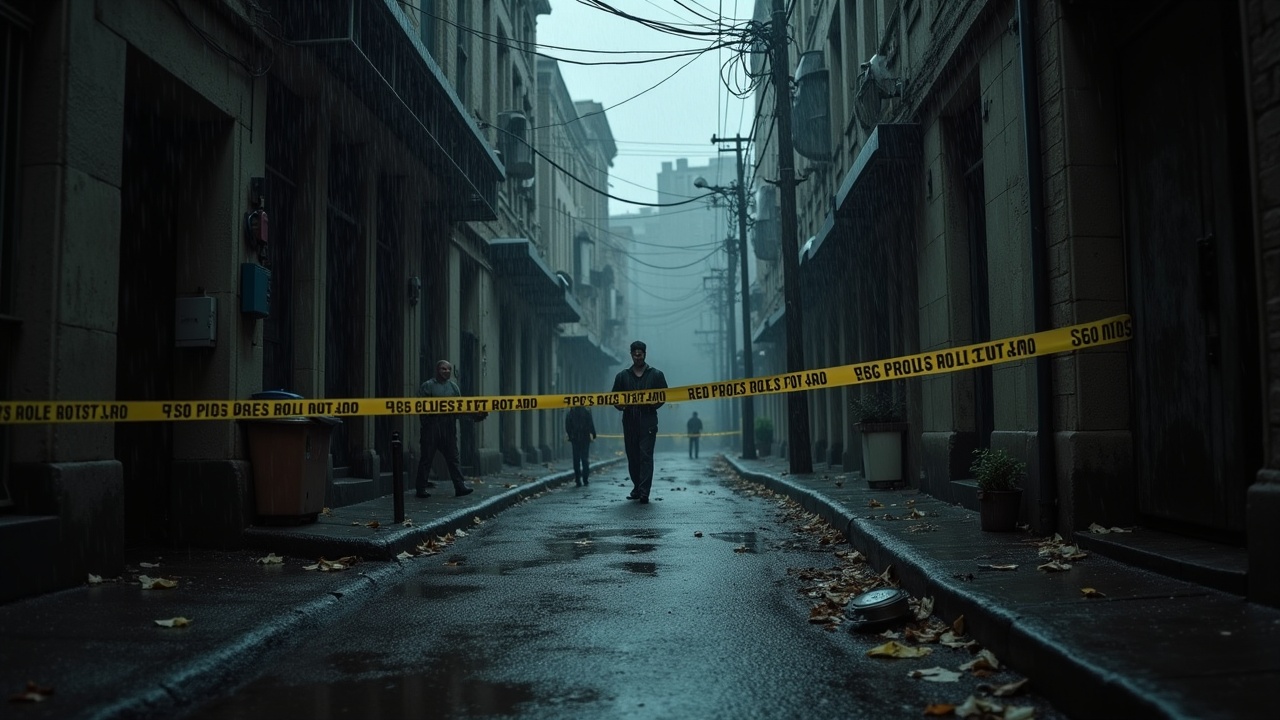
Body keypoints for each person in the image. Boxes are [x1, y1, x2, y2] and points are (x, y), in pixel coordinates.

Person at [416, 360, 486, 499]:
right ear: (437, 370)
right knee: (426, 458)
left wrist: (474, 415)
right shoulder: (428, 386)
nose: (446, 371)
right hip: (432, 427)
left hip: (449, 427)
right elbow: (420, 407)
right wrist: (427, 424)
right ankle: (421, 488)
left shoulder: (454, 388)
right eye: (443, 369)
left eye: (448, 369)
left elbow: (459, 408)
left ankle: (459, 487)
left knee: (454, 458)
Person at [611, 340, 668, 503]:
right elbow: (614, 398)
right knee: (633, 455)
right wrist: (619, 406)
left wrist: (653, 404)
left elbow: (663, 395)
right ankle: (637, 486)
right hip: (629, 420)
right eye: (635, 354)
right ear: (631, 355)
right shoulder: (622, 376)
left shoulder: (656, 375)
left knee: (645, 455)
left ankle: (644, 491)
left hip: (648, 420)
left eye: (640, 353)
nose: (637, 356)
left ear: (644, 354)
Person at [564, 405, 597, 486]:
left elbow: (567, 425)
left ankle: (578, 479)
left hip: (575, 439)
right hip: (585, 438)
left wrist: (570, 435)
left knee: (576, 459)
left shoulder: (571, 413)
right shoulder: (586, 412)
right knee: (585, 459)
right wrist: (593, 434)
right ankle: (585, 479)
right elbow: (590, 424)